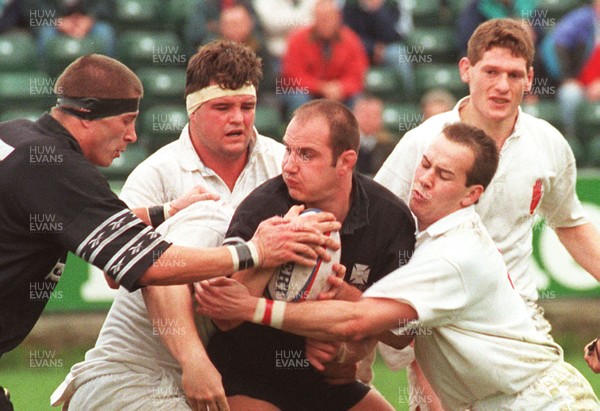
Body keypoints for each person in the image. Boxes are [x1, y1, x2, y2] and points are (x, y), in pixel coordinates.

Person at [196, 122, 600, 410]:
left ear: (470, 195)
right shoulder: (424, 240)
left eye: (443, 175)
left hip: (542, 401)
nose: (423, 180)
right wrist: (346, 299)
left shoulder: (452, 254)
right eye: (424, 165)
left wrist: (252, 308)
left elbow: (357, 322)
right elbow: (396, 330)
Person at [0, 53, 335, 358]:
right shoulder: (55, 167)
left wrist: (165, 213)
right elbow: (141, 263)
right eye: (125, 121)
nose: (132, 136)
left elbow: (88, 219)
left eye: (247, 107)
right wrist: (254, 252)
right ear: (87, 114)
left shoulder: (17, 136)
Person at [55, 41, 302, 409]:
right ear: (193, 110)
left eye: (247, 107)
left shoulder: (284, 164)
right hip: (150, 368)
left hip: (241, 362)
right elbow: (116, 270)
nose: (238, 119)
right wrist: (247, 253)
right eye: (222, 107)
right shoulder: (156, 173)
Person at [375, 18, 600, 409]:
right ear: (466, 70)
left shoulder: (548, 143)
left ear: (530, 78)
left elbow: (571, 224)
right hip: (437, 333)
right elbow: (374, 227)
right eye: (490, 71)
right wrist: (413, 352)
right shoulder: (424, 142)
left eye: (514, 75)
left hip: (519, 331)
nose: (501, 86)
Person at [205, 99, 416, 410]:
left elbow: (402, 334)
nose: (289, 165)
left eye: (306, 155)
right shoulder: (263, 208)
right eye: (288, 150)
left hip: (327, 381)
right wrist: (272, 252)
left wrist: (344, 303)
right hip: (249, 375)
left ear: (345, 162)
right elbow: (224, 318)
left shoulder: (389, 218)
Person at [280, 0, 369, 117]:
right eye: (321, 18)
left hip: (340, 93)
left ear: (338, 18)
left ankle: (356, 135)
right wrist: (321, 87)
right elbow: (292, 76)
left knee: (359, 100)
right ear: (314, 18)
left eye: (329, 18)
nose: (325, 23)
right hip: (307, 93)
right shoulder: (297, 38)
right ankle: (304, 134)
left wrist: (341, 88)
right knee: (298, 96)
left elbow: (358, 76)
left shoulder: (351, 40)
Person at [540, 0, 600, 136]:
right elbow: (556, 44)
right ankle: (571, 138)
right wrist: (567, 78)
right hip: (580, 82)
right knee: (570, 94)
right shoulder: (583, 19)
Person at [352, 95, 397, 177]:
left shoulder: (390, 145)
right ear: (354, 115)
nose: (368, 119)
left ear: (381, 118)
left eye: (373, 115)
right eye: (364, 114)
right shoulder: (345, 143)